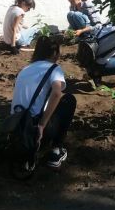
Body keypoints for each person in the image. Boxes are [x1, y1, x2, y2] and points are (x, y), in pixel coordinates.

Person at [11, 35, 76, 168]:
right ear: (54, 53)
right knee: (68, 100)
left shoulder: (25, 70)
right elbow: (57, 93)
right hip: (35, 129)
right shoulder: (54, 68)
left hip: (16, 125)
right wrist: (42, 125)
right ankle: (56, 149)